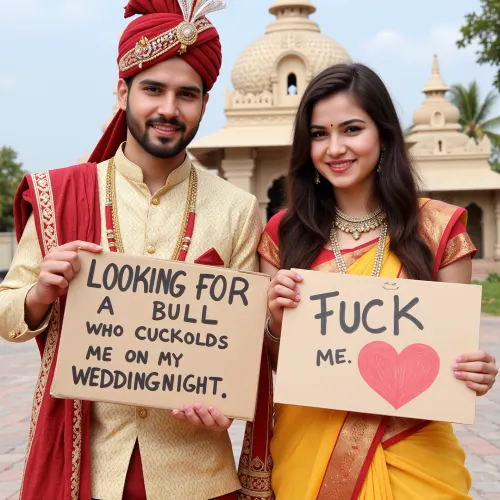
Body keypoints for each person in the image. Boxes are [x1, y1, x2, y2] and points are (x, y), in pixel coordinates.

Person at [0, 1, 274, 499]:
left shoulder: (236, 208)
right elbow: (7, 314)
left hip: (199, 478)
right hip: (88, 470)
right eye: (153, 89)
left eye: (187, 95)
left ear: (204, 104)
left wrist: (224, 406)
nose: (169, 108)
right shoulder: (60, 195)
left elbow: (244, 347)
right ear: (122, 91)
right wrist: (40, 293)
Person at [258, 63, 498, 499]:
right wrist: (274, 321)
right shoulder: (283, 234)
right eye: (318, 134)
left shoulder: (438, 230)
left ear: (384, 135)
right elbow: (278, 365)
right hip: (309, 454)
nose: (335, 148)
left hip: (418, 457)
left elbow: (452, 359)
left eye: (352, 129)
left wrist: (476, 371)